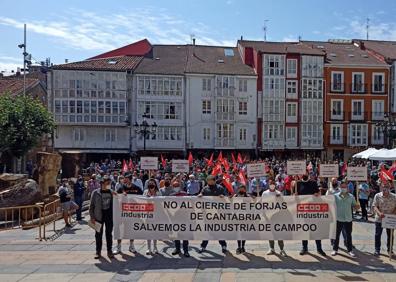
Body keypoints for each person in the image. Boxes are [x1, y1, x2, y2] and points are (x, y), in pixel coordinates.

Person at [296, 174, 327, 256]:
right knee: (305, 230)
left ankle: (319, 248)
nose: (304, 174)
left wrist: (317, 194)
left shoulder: (313, 183)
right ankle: (304, 248)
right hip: (304, 212)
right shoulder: (298, 183)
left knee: (316, 230)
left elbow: (318, 193)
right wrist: (295, 196)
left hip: (313, 211)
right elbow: (296, 197)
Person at [198, 175, 229, 254]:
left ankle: (223, 246)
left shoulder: (220, 188)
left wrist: (223, 197)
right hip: (208, 214)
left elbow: (226, 198)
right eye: (208, 181)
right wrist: (200, 195)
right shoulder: (205, 188)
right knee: (207, 231)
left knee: (219, 231)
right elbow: (201, 194)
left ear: (214, 181)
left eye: (210, 181)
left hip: (218, 215)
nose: (209, 182)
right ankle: (203, 246)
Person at [114, 174, 143, 255]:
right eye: (124, 179)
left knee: (131, 230)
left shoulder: (136, 188)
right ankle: (118, 247)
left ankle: (131, 246)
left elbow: (142, 198)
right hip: (122, 213)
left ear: (130, 180)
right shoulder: (121, 188)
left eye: (126, 179)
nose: (124, 180)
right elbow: (116, 197)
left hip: (132, 214)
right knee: (120, 230)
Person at [89, 175, 115, 259]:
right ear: (102, 183)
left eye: (109, 183)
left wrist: (123, 195)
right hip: (98, 216)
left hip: (109, 215)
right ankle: (98, 251)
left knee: (109, 234)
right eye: (107, 183)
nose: (109, 185)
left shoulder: (112, 192)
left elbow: (120, 198)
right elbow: (91, 206)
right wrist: (92, 217)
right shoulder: (96, 193)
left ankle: (109, 251)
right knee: (98, 234)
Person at [331, 181, 358, 258]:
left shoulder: (351, 197)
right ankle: (335, 249)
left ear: (347, 188)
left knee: (348, 235)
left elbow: (355, 206)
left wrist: (357, 206)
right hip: (338, 218)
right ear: (339, 187)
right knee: (336, 235)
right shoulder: (335, 196)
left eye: (345, 187)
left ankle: (350, 250)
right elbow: (331, 205)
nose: (343, 188)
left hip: (348, 219)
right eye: (342, 187)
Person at [262, 179, 287, 257]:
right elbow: (263, 204)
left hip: (278, 216)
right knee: (271, 233)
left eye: (273, 183)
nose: (272, 184)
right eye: (270, 183)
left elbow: (283, 204)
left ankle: (282, 249)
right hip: (268, 216)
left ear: (275, 184)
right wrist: (264, 215)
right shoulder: (264, 193)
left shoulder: (279, 193)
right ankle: (271, 248)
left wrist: (279, 198)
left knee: (279, 234)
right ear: (268, 184)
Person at [372, 182, 396, 256]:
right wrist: (379, 213)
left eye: (386, 186)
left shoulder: (394, 196)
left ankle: (390, 250)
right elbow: (374, 206)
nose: (385, 188)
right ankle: (377, 250)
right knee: (377, 234)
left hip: (390, 219)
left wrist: (393, 213)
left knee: (390, 235)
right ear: (381, 187)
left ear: (389, 187)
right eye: (383, 186)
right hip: (380, 218)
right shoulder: (377, 195)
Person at [143, 179, 161, 255]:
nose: (151, 184)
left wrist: (155, 197)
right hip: (148, 214)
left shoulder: (158, 192)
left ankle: (155, 247)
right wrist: (146, 198)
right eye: (150, 183)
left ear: (155, 184)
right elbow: (142, 201)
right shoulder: (145, 192)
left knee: (155, 231)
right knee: (148, 231)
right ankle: (148, 248)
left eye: (152, 183)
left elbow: (161, 202)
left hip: (156, 213)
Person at [234, 185, 248, 254]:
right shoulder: (235, 197)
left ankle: (243, 246)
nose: (241, 190)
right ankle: (239, 246)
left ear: (245, 190)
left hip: (245, 218)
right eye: (240, 189)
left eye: (243, 189)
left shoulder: (248, 197)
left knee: (244, 233)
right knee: (238, 233)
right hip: (237, 217)